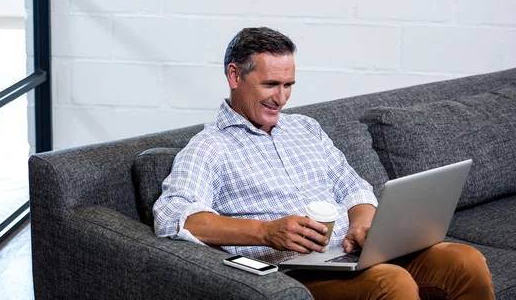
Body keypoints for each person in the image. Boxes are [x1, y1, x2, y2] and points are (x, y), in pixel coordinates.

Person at [153, 27, 494, 299]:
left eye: (288, 85)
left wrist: (362, 224)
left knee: (464, 261)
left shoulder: (306, 128)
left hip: (347, 256)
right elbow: (172, 216)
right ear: (234, 76)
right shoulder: (210, 146)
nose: (281, 97)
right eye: (270, 84)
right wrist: (266, 232)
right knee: (390, 283)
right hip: (293, 271)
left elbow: (353, 187)